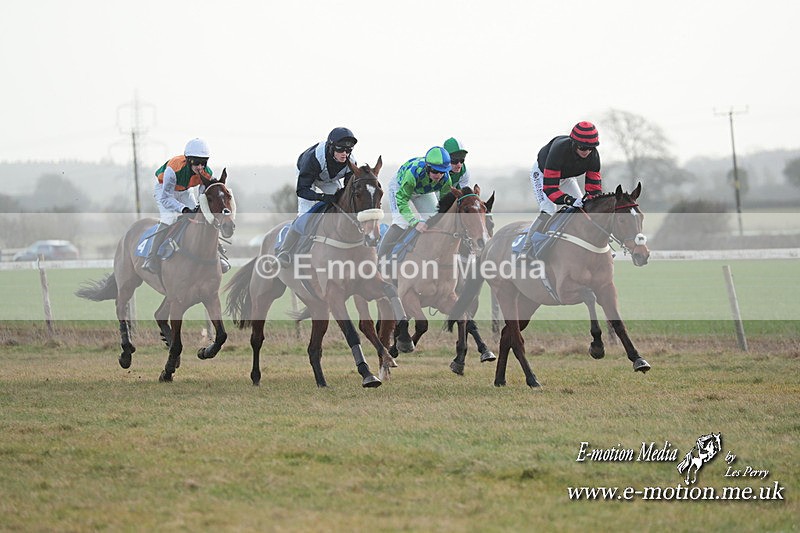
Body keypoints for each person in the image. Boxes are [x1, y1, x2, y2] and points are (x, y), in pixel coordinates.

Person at [275, 127, 358, 266]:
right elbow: (302, 190)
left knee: (340, 206)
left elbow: (348, 190)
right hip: (308, 178)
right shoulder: (313, 159)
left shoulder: (351, 162)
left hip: (329, 179)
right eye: (340, 150)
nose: (345, 154)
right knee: (304, 214)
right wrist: (321, 197)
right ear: (331, 148)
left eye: (348, 150)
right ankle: (285, 251)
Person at [144, 138, 225, 274]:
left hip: (185, 191)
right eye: (196, 162)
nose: (200, 167)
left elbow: (202, 197)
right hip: (165, 190)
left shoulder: (206, 172)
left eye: (203, 163)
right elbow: (166, 198)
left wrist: (200, 209)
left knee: (201, 216)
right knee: (169, 218)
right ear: (188, 160)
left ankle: (218, 252)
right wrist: (184, 209)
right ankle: (151, 258)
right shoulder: (173, 169)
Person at [522, 121, 602, 255]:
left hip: (566, 177)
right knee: (549, 209)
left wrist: (591, 202)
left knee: (584, 209)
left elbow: (594, 190)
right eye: (583, 147)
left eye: (591, 148)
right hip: (543, 175)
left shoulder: (593, 156)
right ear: (574, 144)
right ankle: (526, 248)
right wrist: (569, 200)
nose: (587, 151)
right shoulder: (559, 150)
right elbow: (550, 189)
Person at [377, 146, 453, 257]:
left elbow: (445, 204)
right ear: (428, 168)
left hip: (422, 190)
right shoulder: (412, 175)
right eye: (435, 171)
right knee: (402, 222)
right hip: (400, 187)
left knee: (433, 219)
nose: (439, 176)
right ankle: (379, 257)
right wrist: (414, 222)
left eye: (443, 172)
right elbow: (402, 200)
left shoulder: (446, 179)